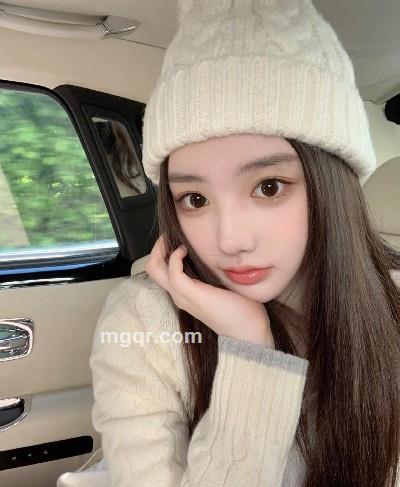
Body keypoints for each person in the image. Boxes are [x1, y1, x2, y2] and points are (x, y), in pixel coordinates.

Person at [56, 0, 400, 486]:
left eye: (269, 187)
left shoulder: (392, 304)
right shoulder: (145, 319)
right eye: (195, 199)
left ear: (333, 186)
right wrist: (251, 349)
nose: (229, 239)